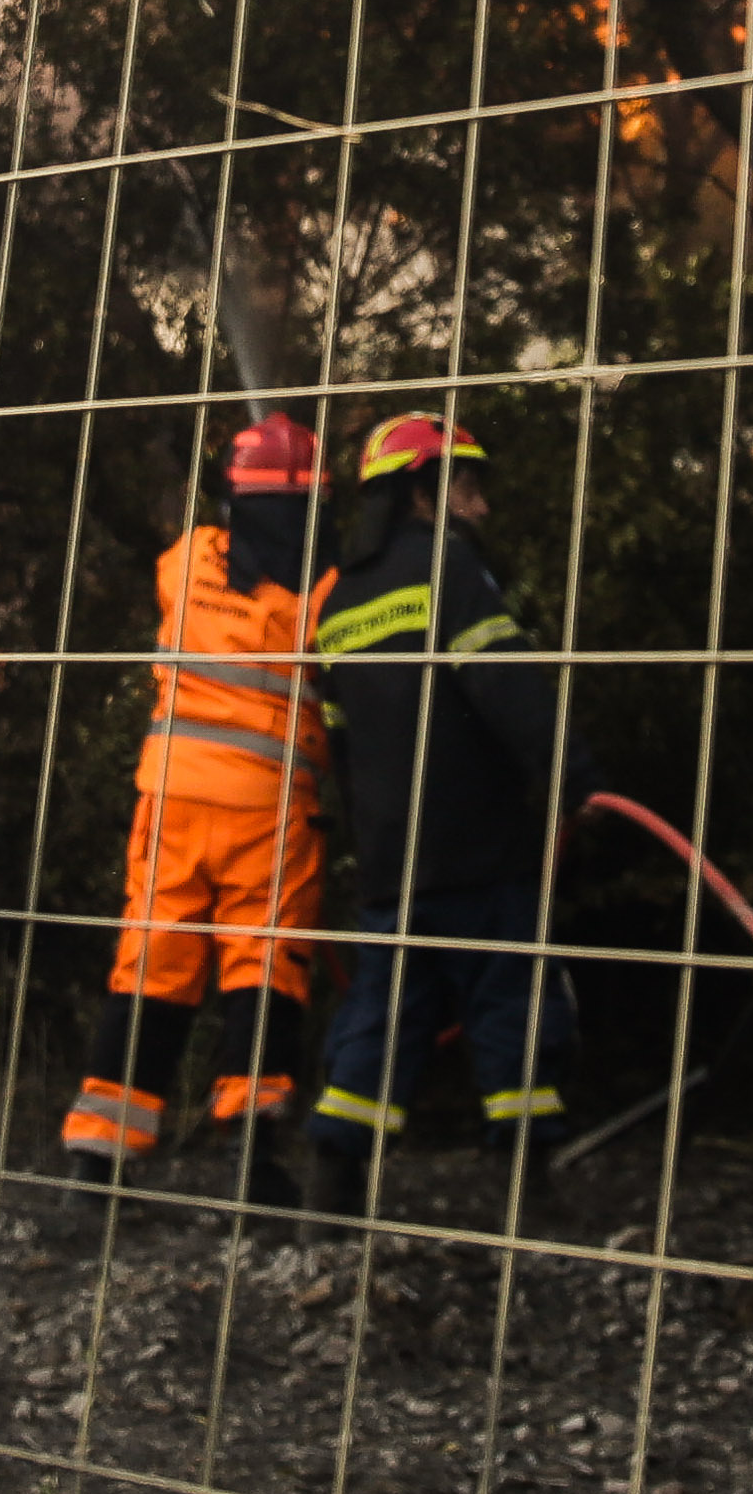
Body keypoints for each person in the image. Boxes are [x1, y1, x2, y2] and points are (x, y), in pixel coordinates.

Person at [300, 409, 581, 1222]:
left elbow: (342, 747)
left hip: (394, 863)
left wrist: (373, 840)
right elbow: (509, 687)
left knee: (383, 1015)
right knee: (511, 1008)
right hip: (481, 851)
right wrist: (576, 776)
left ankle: (333, 1183)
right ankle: (532, 1193)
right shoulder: (452, 570)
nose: (481, 508)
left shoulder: (338, 599)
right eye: (467, 486)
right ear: (423, 491)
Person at [60, 412, 334, 1198]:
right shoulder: (319, 591)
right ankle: (254, 1152)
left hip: (172, 796)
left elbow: (208, 542)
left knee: (153, 959)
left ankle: (99, 1152)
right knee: (264, 965)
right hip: (269, 808)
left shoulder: (185, 565)